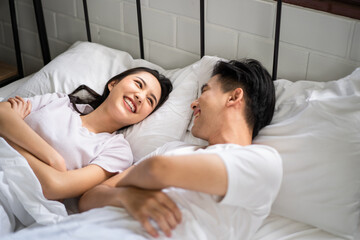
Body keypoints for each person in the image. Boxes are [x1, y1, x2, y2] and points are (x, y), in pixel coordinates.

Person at [3, 59, 281, 240]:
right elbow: (90, 198)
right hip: (74, 231)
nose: (193, 104)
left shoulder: (262, 161)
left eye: (205, 91)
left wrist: (129, 191)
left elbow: (159, 169)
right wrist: (128, 198)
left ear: (234, 97)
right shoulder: (174, 148)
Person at [0, 67, 172, 200]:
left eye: (150, 100)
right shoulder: (59, 101)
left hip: (15, 194)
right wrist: (52, 158)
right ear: (113, 84)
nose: (140, 97)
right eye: (138, 84)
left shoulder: (117, 150)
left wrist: (9, 133)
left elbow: (55, 187)